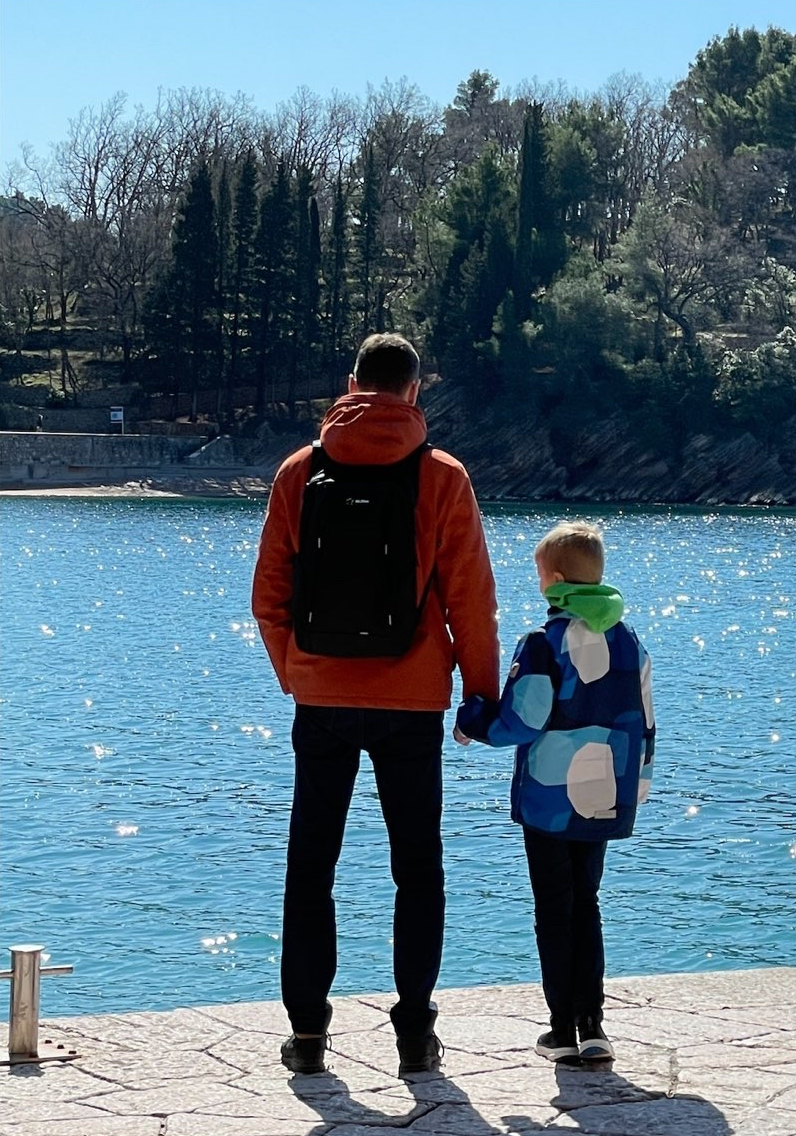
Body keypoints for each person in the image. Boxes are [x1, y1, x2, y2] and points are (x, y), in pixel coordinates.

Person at [252, 333, 500, 1077]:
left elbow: (268, 597)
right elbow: (472, 603)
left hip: (321, 695)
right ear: (416, 392)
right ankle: (414, 1034)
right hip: (412, 697)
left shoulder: (300, 470)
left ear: (352, 383)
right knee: (417, 866)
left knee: (311, 866)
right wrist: (479, 696)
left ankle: (306, 1035)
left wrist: (299, 674)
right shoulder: (443, 476)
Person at [454, 521, 655, 1063]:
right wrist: (636, 786)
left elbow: (524, 717)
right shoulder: (629, 640)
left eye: (540, 573)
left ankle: (562, 1029)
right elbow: (646, 722)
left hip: (550, 798)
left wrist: (474, 719)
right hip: (607, 791)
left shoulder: (543, 642)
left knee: (554, 907)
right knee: (587, 903)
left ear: (556, 580)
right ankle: (594, 1025)